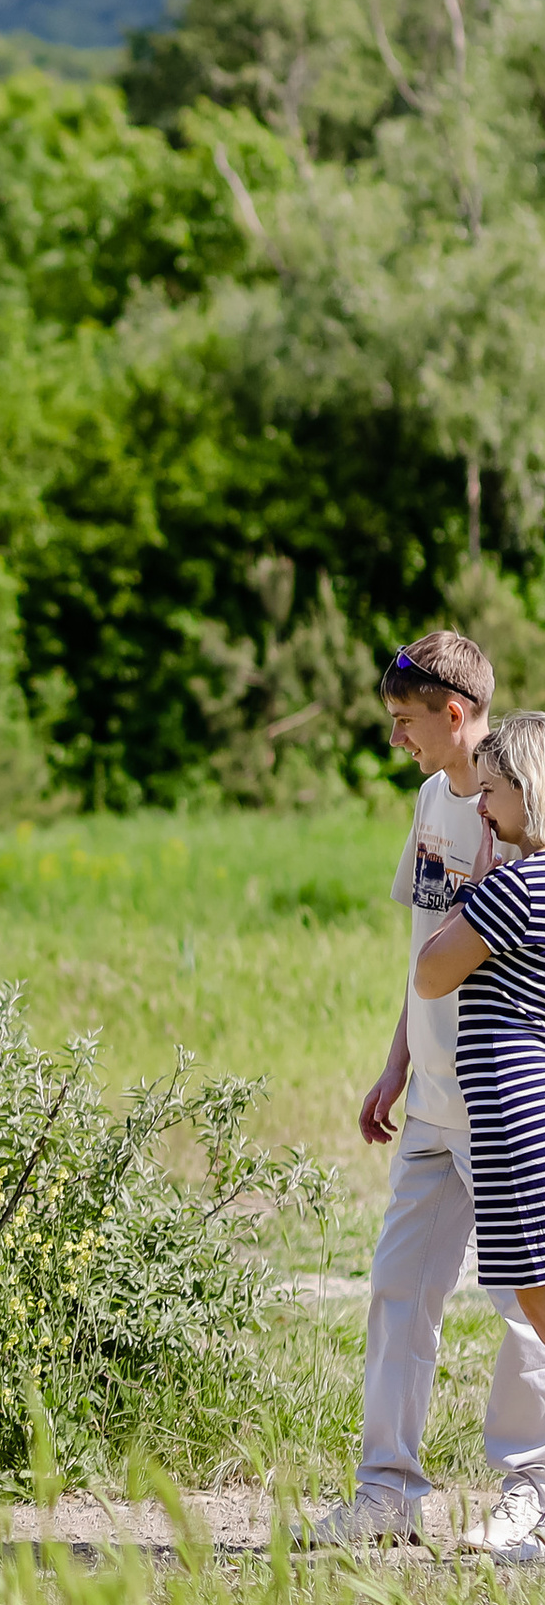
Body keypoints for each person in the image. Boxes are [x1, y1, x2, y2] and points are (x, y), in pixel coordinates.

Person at [309, 633, 545, 1550]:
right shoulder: (427, 803)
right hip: (432, 1099)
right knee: (399, 1288)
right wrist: (397, 1063)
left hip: (503, 1101)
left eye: (407, 723)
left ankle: (528, 1485)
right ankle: (387, 1491)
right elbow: (425, 953)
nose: (399, 740)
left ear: (456, 714)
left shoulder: (518, 818)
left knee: (519, 1298)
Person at [408, 708, 545, 1558]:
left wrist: (470, 891)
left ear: (526, 794)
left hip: (510, 1119)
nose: (483, 814)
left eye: (491, 795)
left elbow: (430, 970)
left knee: (534, 1297)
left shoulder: (516, 887)